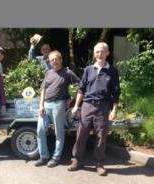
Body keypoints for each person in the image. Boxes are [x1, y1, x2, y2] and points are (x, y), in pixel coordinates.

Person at [67, 42, 121, 176]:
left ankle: (99, 163)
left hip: (103, 106)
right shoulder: (88, 70)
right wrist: (76, 106)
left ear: (107, 53)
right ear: (94, 54)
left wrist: (114, 110)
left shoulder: (112, 71)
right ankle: (77, 160)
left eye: (102, 51)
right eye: (97, 52)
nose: (99, 54)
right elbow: (81, 89)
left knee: (101, 136)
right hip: (87, 105)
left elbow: (116, 92)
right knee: (81, 134)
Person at [35, 50, 80, 168]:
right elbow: (43, 90)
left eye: (56, 59)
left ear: (60, 59)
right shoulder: (48, 73)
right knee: (40, 130)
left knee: (58, 133)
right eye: (51, 60)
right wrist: (41, 105)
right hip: (46, 105)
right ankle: (44, 156)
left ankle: (56, 157)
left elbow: (80, 85)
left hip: (58, 105)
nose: (53, 62)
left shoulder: (67, 72)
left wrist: (71, 99)